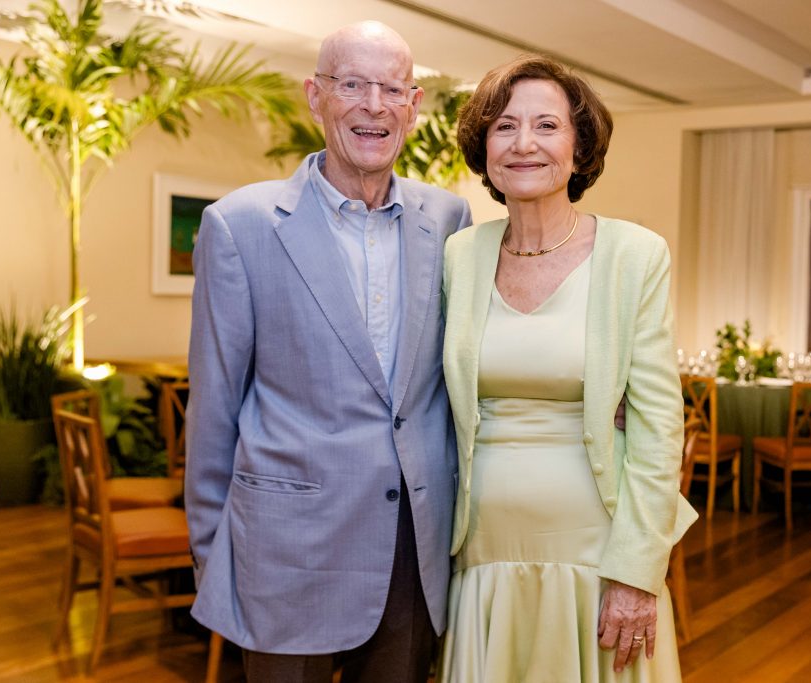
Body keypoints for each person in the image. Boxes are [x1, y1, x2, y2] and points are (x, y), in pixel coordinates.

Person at [184, 21, 471, 683]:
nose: (374, 105)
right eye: (352, 85)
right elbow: (214, 408)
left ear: (414, 105)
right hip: (286, 557)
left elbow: (465, 370)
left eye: (392, 89)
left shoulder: (449, 221)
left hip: (412, 553)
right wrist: (213, 557)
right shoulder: (240, 225)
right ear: (315, 97)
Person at [438, 55, 697, 682]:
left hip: (598, 553)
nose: (523, 143)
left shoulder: (635, 255)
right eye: (504, 126)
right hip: (482, 552)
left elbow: (660, 429)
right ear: (484, 150)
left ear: (580, 150)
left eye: (547, 126)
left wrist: (637, 571)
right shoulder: (459, 254)